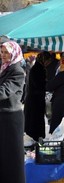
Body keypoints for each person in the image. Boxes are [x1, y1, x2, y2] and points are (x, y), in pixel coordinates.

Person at [0, 41, 26, 183]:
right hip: (2, 116)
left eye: (6, 52)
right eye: (2, 52)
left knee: (12, 157)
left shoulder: (17, 71)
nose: (3, 55)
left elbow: (4, 92)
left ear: (13, 53)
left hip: (11, 118)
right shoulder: (3, 68)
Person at [24, 51, 51, 141]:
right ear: (44, 59)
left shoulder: (37, 68)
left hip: (34, 99)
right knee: (35, 122)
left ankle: (34, 139)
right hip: (35, 100)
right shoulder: (38, 69)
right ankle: (34, 140)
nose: (48, 63)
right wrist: (47, 84)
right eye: (47, 60)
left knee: (34, 121)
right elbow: (39, 85)